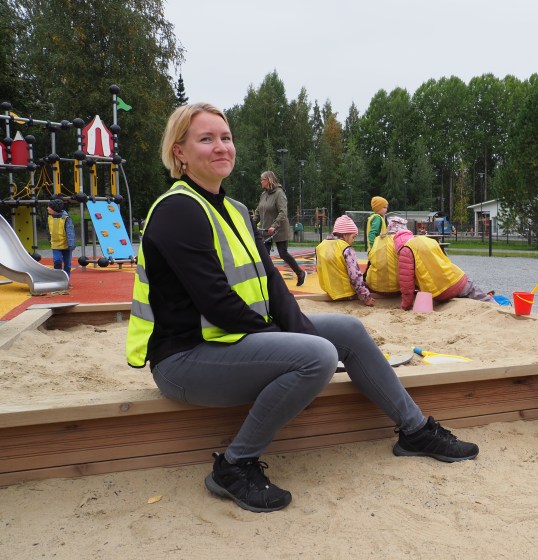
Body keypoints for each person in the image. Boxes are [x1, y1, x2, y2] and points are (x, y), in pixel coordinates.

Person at [125, 103, 478, 514]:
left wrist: (299, 332)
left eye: (226, 137)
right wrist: (295, 344)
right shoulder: (177, 210)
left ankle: (414, 430)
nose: (221, 146)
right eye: (206, 139)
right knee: (318, 356)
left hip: (229, 340)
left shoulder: (234, 209)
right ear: (179, 151)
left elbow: (273, 284)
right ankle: (234, 466)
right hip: (185, 359)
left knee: (346, 332)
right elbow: (216, 303)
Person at [392, 220, 493, 311]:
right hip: (457, 280)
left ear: (397, 245)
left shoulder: (405, 251)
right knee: (479, 296)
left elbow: (407, 284)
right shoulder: (428, 240)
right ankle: (497, 306)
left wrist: (406, 305)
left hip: (439, 293)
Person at [256, 170, 306, 287]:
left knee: (283, 253)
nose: (261, 182)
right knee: (264, 254)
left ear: (268, 180)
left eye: (262, 180)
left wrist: (274, 225)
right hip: (265, 230)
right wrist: (251, 223)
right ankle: (267, 279)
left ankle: (300, 273)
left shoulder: (279, 193)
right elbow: (258, 212)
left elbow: (283, 212)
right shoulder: (263, 195)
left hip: (279, 229)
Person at [316, 215, 375, 306]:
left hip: (330, 292)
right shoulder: (346, 248)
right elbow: (354, 275)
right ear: (345, 234)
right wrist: (366, 297)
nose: (353, 241)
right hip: (346, 293)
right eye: (353, 237)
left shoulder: (320, 246)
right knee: (366, 283)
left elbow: (319, 269)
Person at [363, 216, 404, 296]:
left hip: (374, 287)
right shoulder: (401, 241)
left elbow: (371, 259)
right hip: (397, 288)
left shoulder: (377, 239)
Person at [46, 198, 75, 281]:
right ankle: (58, 279)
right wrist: (50, 240)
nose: (47, 208)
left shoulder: (66, 218)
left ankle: (66, 280)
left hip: (66, 245)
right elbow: (48, 231)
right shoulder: (49, 218)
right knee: (57, 261)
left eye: (49, 207)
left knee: (67, 264)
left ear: (54, 209)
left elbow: (70, 232)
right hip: (55, 245)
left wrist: (71, 244)